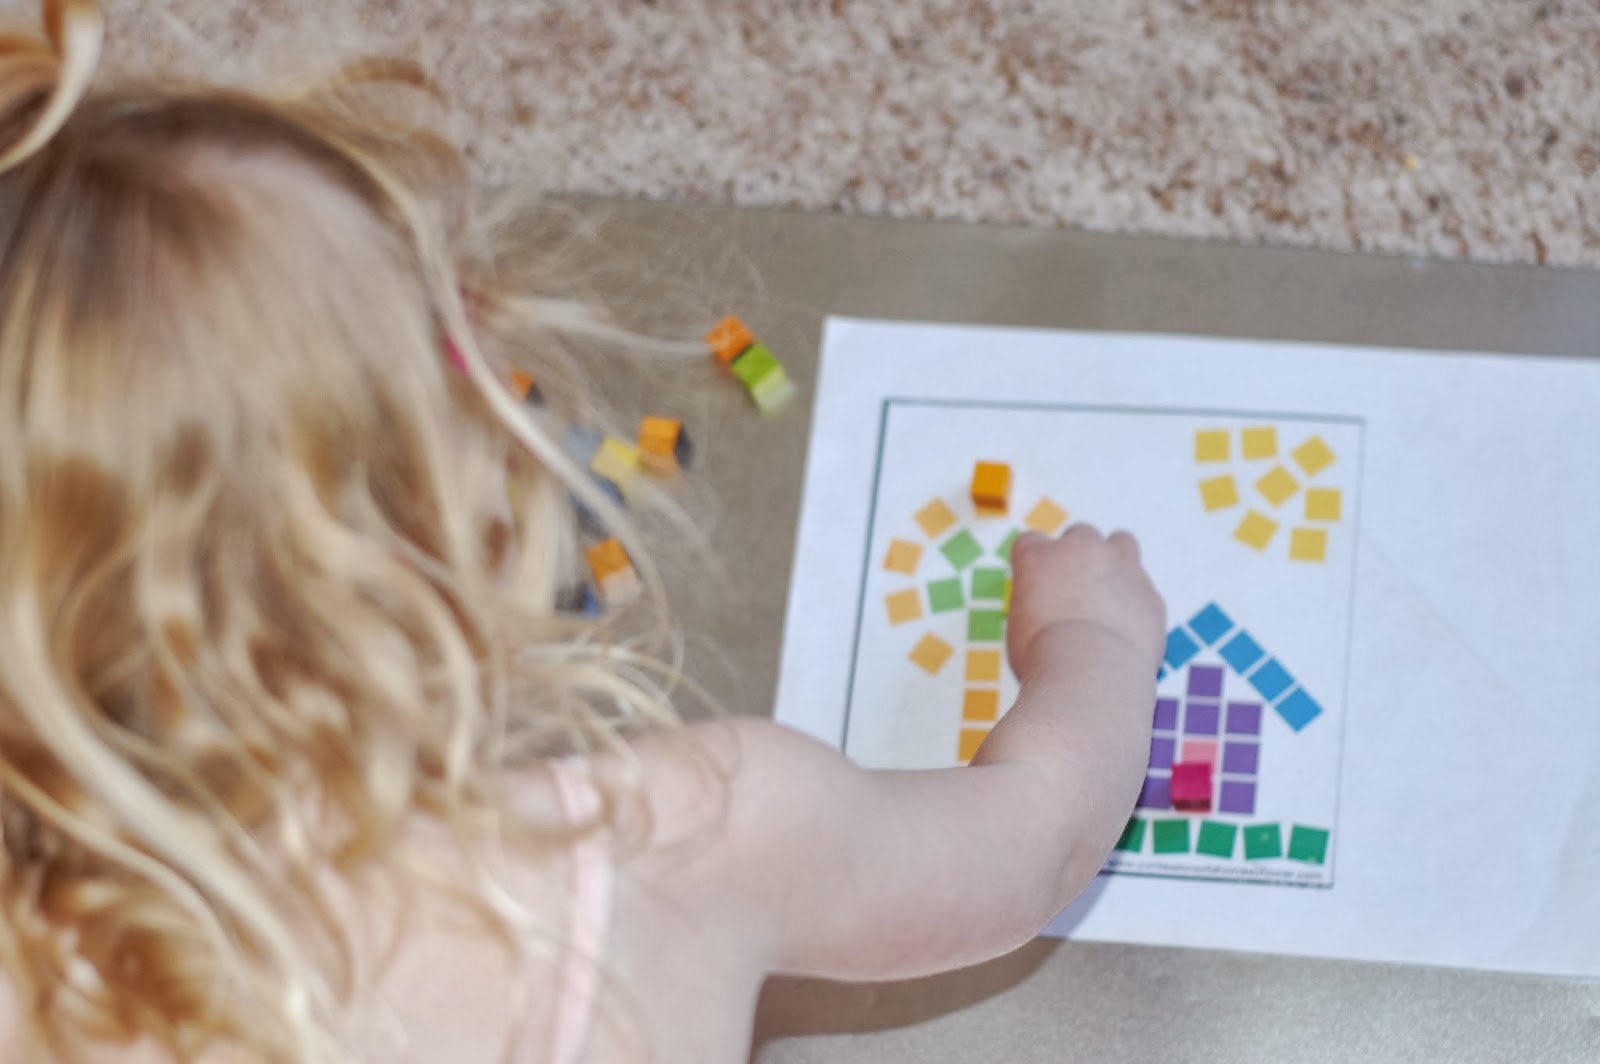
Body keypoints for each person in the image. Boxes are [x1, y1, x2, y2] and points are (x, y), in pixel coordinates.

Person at [0, 1, 1166, 1061]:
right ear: (394, 552)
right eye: (451, 345)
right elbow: (1035, 841)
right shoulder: (690, 844)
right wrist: (1093, 643)